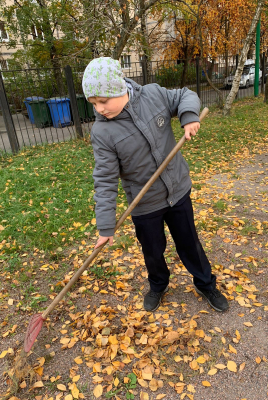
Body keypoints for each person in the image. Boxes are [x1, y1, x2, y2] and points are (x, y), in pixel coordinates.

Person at [82, 57, 229, 313]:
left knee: (189, 242)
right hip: (144, 203)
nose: (100, 109)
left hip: (177, 190)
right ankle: (158, 285)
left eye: (103, 101)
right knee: (152, 250)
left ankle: (205, 283)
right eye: (93, 103)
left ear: (118, 88)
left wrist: (189, 116)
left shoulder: (153, 95)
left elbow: (186, 95)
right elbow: (104, 179)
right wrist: (105, 226)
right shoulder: (102, 132)